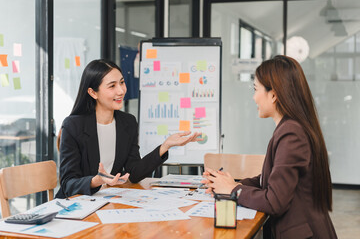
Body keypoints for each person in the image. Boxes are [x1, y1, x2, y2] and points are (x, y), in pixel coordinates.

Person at [202, 55, 337, 239]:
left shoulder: (291, 134)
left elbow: (275, 201)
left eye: (256, 89)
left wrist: (233, 190)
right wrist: (232, 182)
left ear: (273, 94)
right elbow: (272, 179)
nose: (253, 97)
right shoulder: (290, 128)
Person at [56, 59, 201, 198]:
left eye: (122, 83)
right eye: (112, 86)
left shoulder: (128, 122)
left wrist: (165, 146)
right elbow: (68, 184)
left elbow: (135, 172)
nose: (121, 91)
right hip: (75, 204)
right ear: (93, 93)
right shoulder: (73, 126)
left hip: (106, 201)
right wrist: (97, 180)